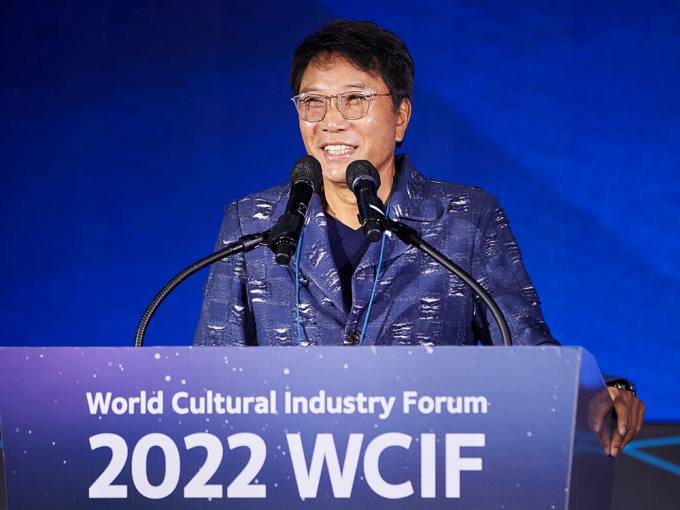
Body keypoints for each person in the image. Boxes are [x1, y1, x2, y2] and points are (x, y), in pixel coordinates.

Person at [194, 19, 644, 456]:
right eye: (313, 102)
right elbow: (212, 377)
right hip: (290, 472)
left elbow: (527, 353)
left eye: (355, 100)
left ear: (400, 116)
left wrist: (601, 391)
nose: (330, 122)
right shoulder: (252, 222)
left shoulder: (465, 219)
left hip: (427, 470)